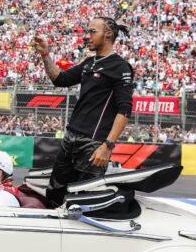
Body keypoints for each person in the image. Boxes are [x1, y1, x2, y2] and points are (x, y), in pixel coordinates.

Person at [32, 16, 134, 207]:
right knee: (55, 191)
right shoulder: (89, 62)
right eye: (86, 31)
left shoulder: (120, 67)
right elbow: (59, 79)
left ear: (108, 35)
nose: (86, 36)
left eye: (92, 32)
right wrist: (45, 54)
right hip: (70, 138)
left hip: (93, 145)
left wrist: (107, 146)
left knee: (84, 199)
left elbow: (125, 110)